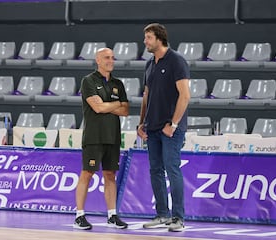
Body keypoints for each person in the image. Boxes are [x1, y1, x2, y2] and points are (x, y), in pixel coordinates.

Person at [137, 23, 191, 232]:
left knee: (172, 169)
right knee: (155, 171)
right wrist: (142, 122)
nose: (145, 42)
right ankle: (162, 214)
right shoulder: (150, 63)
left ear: (159, 38)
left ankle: (178, 218)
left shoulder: (177, 60)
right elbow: (146, 95)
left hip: (171, 129)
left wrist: (174, 124)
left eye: (148, 37)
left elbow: (185, 95)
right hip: (152, 128)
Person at [73, 48, 129, 230]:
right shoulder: (88, 81)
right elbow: (97, 108)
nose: (110, 60)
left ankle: (112, 215)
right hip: (94, 136)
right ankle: (79, 215)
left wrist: (106, 105)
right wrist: (115, 104)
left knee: (110, 175)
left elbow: (125, 110)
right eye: (107, 57)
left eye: (112, 58)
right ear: (98, 60)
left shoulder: (118, 84)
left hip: (112, 137)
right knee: (87, 174)